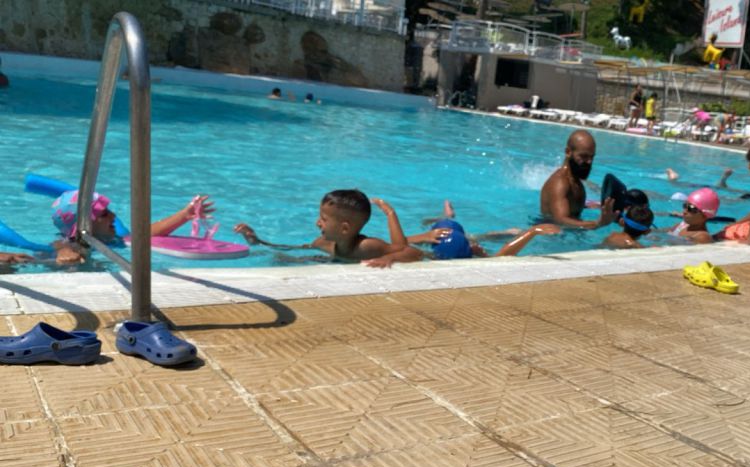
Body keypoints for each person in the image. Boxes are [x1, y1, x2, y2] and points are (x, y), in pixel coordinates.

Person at [233, 190, 422, 267]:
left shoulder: (366, 246)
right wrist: (257, 240)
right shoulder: (323, 243)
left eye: (323, 219)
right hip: (337, 259)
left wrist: (389, 258)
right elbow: (292, 248)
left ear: (344, 229)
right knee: (282, 258)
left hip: (353, 257)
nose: (317, 223)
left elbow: (411, 251)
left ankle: (390, 213)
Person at [50, 190, 216, 265]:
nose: (113, 216)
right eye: (104, 214)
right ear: (85, 225)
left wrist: (184, 215)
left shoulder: (112, 239)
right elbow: (60, 245)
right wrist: (64, 252)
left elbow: (144, 234)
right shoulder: (73, 244)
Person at [407, 200, 561, 258]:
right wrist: (531, 232)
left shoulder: (429, 254)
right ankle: (446, 216)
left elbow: (399, 243)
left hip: (444, 234)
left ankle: (447, 216)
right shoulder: (428, 253)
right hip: (446, 234)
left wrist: (422, 237)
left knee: (473, 236)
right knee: (477, 236)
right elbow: (502, 257)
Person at [539, 130, 615, 229]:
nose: (589, 161)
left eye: (592, 157)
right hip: (549, 235)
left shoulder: (575, 180)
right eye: (584, 156)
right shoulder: (560, 183)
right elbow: (560, 221)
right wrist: (597, 223)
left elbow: (569, 206)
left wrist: (595, 206)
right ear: (568, 152)